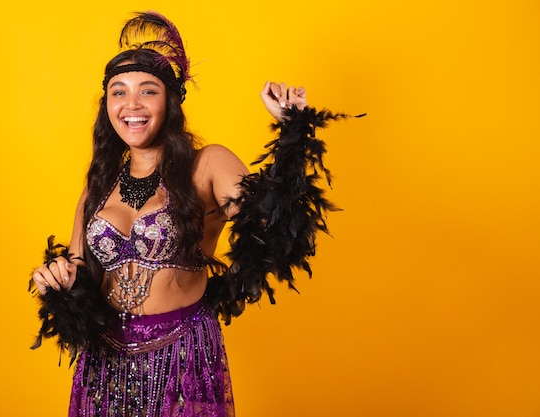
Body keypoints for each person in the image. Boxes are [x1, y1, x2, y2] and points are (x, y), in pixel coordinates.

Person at [30, 11, 353, 417]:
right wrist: (55, 283)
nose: (132, 105)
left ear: (170, 101)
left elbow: (270, 226)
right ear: (106, 105)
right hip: (105, 366)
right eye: (119, 92)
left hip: (182, 357)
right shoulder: (97, 184)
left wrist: (292, 136)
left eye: (147, 91)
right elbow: (76, 272)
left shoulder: (207, 166)